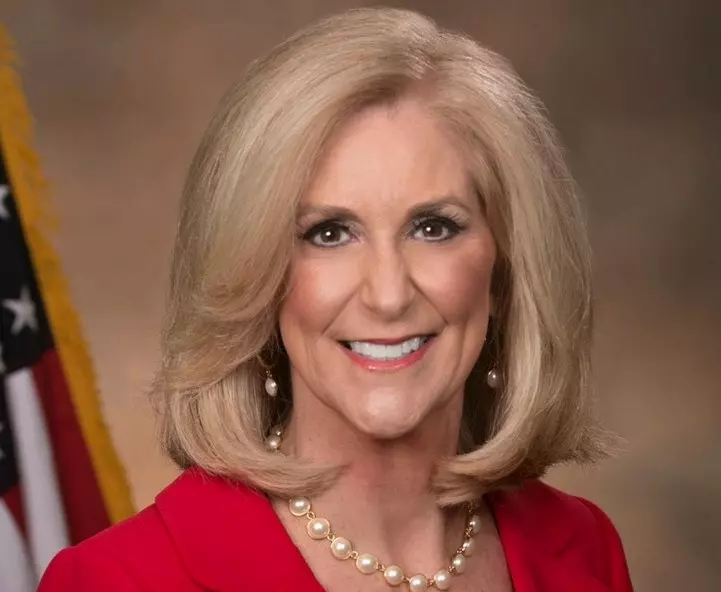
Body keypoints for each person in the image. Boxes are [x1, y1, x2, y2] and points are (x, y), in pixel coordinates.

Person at [38, 7, 633, 592]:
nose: (388, 294)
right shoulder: (114, 581)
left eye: (433, 228)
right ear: (255, 276)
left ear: (504, 270)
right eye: (329, 233)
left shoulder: (585, 549)